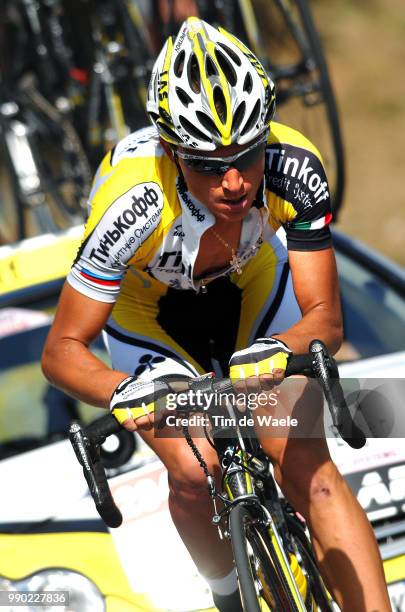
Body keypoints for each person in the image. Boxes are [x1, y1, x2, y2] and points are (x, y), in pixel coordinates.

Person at [42, 17, 390, 612]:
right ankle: (230, 596)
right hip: (150, 320)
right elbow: (61, 351)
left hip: (253, 297)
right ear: (174, 154)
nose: (233, 181)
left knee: (308, 464)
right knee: (192, 464)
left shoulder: (293, 168)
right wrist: (123, 390)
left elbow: (324, 321)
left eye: (246, 158)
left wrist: (282, 351)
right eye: (206, 165)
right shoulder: (132, 203)